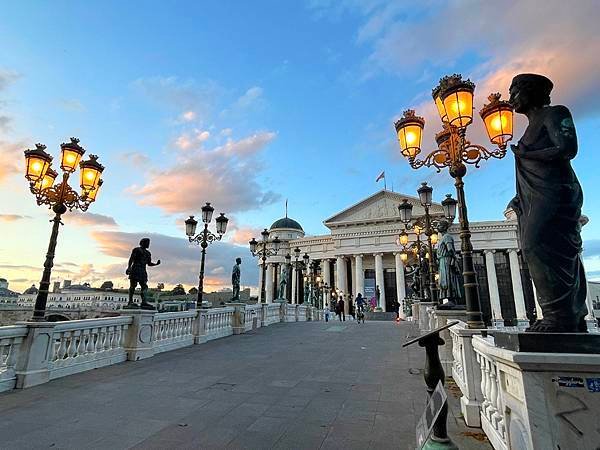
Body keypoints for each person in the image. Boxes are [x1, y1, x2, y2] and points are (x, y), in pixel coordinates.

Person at [508, 73, 587, 332]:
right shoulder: (530, 126)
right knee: (543, 248)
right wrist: (520, 198)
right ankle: (563, 315)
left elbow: (568, 148)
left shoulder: (555, 113)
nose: (511, 99)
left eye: (514, 92)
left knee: (539, 245)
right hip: (536, 195)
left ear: (531, 92)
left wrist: (528, 153)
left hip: (557, 191)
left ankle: (560, 317)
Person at [126, 238, 161, 309]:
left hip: (143, 270)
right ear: (142, 243)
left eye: (149, 243)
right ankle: (130, 301)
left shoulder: (148, 253)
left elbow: (149, 263)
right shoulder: (136, 250)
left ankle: (144, 302)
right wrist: (129, 267)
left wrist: (156, 264)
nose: (148, 244)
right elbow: (131, 259)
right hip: (135, 269)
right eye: (147, 243)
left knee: (144, 286)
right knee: (133, 285)